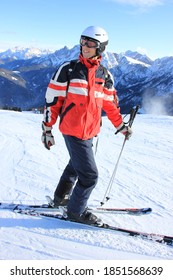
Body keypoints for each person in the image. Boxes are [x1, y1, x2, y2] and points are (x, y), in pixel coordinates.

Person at [41, 26, 132, 225]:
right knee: (90, 176)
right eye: (83, 41)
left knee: (75, 165)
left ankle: (61, 198)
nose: (85, 46)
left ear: (101, 48)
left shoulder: (104, 75)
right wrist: (47, 129)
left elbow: (111, 105)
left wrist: (121, 126)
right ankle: (76, 212)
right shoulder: (69, 69)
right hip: (72, 129)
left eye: (91, 43)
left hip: (90, 131)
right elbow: (52, 100)